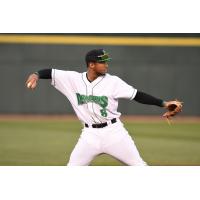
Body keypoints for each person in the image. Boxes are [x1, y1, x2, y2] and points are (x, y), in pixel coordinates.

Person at [25, 49, 181, 166]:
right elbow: (49, 73)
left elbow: (138, 95)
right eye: (103, 62)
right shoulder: (73, 79)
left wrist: (163, 103)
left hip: (114, 133)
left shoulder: (113, 81)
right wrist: (35, 75)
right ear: (91, 65)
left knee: (139, 167)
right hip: (89, 135)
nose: (106, 65)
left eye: (107, 61)